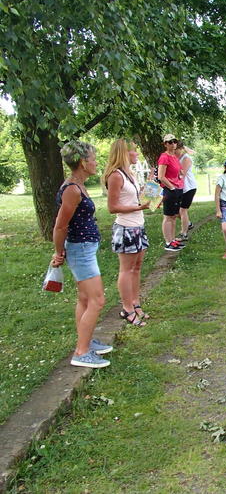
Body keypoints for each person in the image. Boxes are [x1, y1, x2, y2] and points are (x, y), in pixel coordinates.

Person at [51, 140, 112, 368]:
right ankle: (81, 352)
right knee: (97, 300)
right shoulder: (72, 190)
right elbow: (60, 226)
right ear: (83, 163)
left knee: (85, 299)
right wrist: (58, 253)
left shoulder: (77, 185)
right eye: (94, 159)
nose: (96, 163)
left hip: (84, 248)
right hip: (80, 251)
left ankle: (86, 341)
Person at [104, 139, 151, 327]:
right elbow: (112, 207)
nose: (137, 154)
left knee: (137, 268)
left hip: (138, 225)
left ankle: (135, 303)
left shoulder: (129, 174)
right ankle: (127, 309)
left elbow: (134, 198)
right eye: (134, 151)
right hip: (126, 228)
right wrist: (139, 207)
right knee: (126, 269)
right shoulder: (115, 176)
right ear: (124, 153)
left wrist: (149, 193)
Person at [158, 134, 184, 252]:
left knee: (173, 216)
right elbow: (161, 176)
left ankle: (173, 240)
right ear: (165, 144)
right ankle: (168, 242)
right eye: (170, 142)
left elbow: (179, 172)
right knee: (168, 216)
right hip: (169, 189)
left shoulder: (174, 156)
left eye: (174, 141)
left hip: (177, 188)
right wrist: (172, 188)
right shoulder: (164, 157)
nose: (173, 144)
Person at [174, 142, 197, 243]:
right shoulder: (175, 158)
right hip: (180, 188)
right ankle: (188, 224)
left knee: (183, 210)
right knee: (176, 211)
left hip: (189, 187)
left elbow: (182, 173)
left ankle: (184, 234)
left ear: (181, 149)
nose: (174, 151)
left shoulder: (186, 158)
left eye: (176, 149)